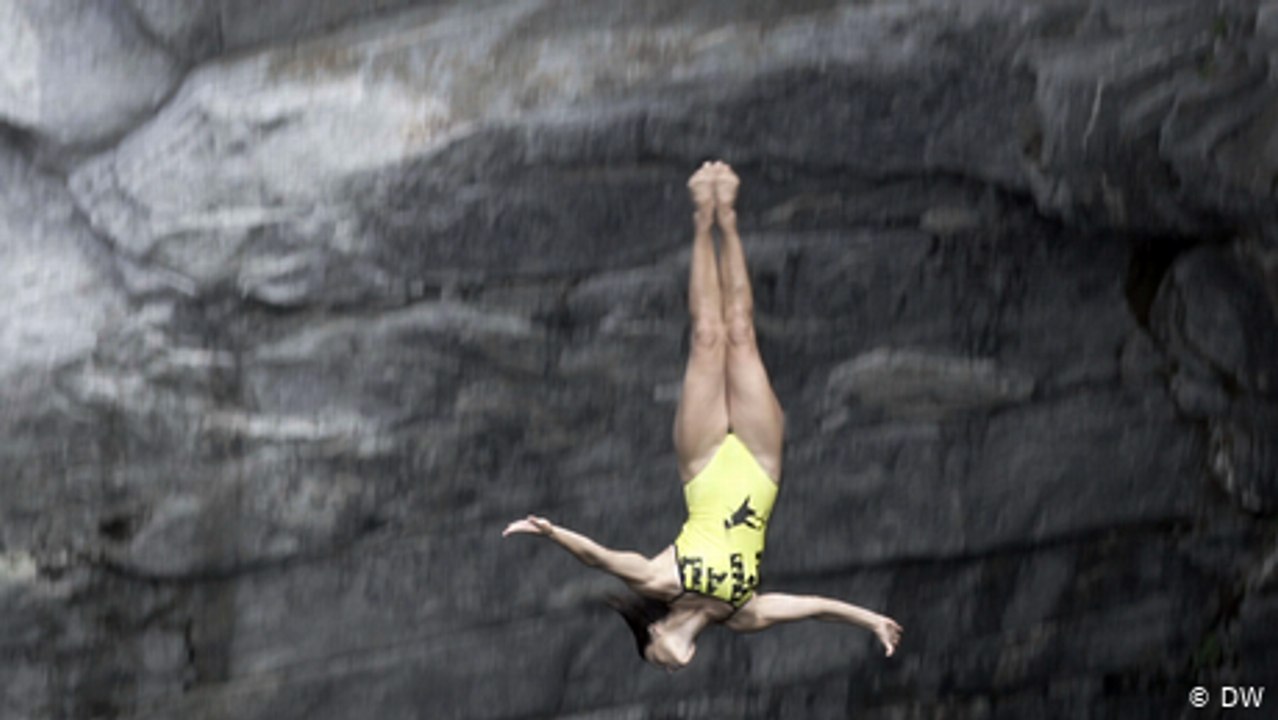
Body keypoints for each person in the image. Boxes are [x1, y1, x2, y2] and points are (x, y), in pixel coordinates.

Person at [503, 161, 902, 672]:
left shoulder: (658, 580)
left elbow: (600, 558)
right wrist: (871, 621)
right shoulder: (741, 614)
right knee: (741, 334)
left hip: (705, 468)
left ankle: (702, 217)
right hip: (761, 469)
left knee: (708, 338)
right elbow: (814, 607)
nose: (661, 666)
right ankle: (729, 218)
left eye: (653, 659)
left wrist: (551, 533)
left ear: (655, 631)